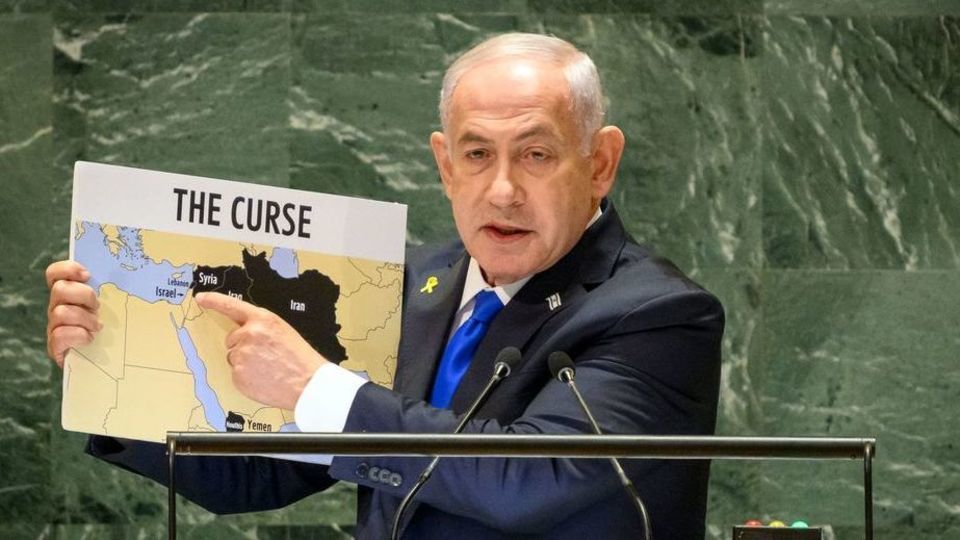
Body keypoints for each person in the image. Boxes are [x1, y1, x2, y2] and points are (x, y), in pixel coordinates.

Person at [46, 33, 724, 538]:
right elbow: (260, 475)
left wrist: (314, 386)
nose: (503, 189)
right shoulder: (405, 288)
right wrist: (109, 364)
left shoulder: (659, 315)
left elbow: (530, 479)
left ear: (600, 163)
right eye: (477, 154)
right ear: (445, 166)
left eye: (536, 154)